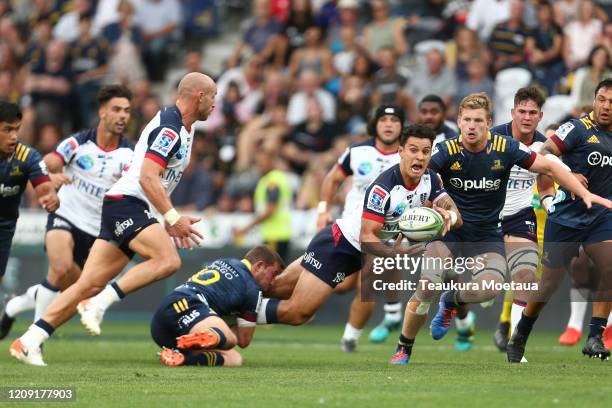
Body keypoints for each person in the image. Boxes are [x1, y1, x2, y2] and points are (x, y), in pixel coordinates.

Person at [10, 73, 216, 366]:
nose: (215, 104)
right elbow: (147, 177)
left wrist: (164, 217)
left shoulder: (185, 127)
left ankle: (30, 340)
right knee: (168, 261)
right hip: (128, 204)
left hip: (124, 204)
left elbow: (155, 177)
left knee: (87, 283)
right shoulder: (170, 129)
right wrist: (171, 216)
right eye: (213, 97)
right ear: (199, 96)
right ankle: (100, 303)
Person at [390, 92, 611, 365]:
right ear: (458, 122)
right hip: (450, 229)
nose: (472, 126)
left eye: (478, 121)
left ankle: (453, 300)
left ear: (489, 123)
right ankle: (404, 347)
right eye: (467, 120)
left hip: (487, 233)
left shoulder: (505, 146)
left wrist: (583, 192)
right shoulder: (445, 150)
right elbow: (414, 177)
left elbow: (550, 168)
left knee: (490, 289)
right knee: (427, 285)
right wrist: (409, 215)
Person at [257, 124, 458, 329]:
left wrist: (447, 214)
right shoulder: (383, 188)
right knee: (297, 313)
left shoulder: (431, 180)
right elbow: (366, 237)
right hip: (339, 245)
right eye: (413, 150)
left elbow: (457, 216)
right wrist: (393, 252)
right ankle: (237, 311)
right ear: (401, 152)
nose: (420, 157)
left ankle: (235, 301)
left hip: (356, 253)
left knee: (275, 289)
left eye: (426, 151)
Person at [0, 85, 133, 340]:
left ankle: (16, 305)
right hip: (66, 216)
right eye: (116, 109)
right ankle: (32, 340)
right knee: (60, 269)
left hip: (97, 233)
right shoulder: (78, 142)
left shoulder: (130, 155)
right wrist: (52, 175)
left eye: (127, 111)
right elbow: (50, 160)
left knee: (76, 289)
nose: (123, 116)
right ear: (102, 112)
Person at [507, 79, 612, 362]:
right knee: (548, 286)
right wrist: (568, 172)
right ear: (595, 99)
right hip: (566, 216)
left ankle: (595, 337)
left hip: (601, 216)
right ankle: (521, 333)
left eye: (611, 102)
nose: (606, 106)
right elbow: (544, 153)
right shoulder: (577, 128)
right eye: (602, 99)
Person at [314, 105, 403, 352]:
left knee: (369, 280)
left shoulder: (407, 155)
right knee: (342, 287)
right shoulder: (358, 151)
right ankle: (392, 312)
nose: (388, 124)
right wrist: (323, 210)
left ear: (401, 126)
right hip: (351, 228)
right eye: (383, 119)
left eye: (394, 120)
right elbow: (332, 179)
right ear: (375, 124)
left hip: (384, 232)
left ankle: (350, 338)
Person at [489, 87, 554, 352]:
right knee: (484, 287)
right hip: (486, 216)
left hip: (521, 216)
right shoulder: (491, 139)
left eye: (532, 113)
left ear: (540, 116)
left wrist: (550, 205)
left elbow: (547, 185)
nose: (526, 117)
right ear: (512, 112)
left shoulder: (543, 147)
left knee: (525, 277)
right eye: (522, 111)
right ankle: (452, 301)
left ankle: (516, 344)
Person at [152, 245, 285, 367]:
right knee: (232, 339)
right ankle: (212, 335)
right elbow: (244, 340)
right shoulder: (253, 290)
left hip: (161, 325)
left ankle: (181, 357)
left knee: (234, 358)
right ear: (259, 266)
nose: (273, 282)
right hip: (191, 304)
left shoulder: (225, 261)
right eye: (274, 274)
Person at [0, 101, 59, 283]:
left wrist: (51, 198)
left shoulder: (28, 157)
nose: (14, 137)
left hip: (4, 226)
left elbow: (45, 189)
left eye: (16, 130)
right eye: (7, 130)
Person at [233, 147, 293, 262]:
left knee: (272, 273)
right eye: (258, 163)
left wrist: (246, 228)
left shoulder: (272, 181)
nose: (259, 165)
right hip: (278, 233)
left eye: (262, 162)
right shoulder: (273, 178)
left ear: (271, 161)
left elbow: (270, 209)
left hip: (275, 234)